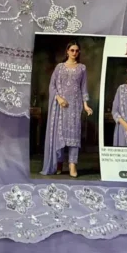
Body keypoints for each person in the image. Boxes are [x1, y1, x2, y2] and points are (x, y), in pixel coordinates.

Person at [41, 41, 93, 177]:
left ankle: (72, 165)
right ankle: (59, 163)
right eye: (72, 50)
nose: (74, 53)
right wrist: (58, 98)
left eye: (77, 51)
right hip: (60, 106)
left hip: (75, 106)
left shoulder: (82, 68)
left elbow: (83, 88)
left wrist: (86, 105)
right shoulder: (59, 67)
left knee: (74, 136)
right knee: (60, 135)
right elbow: (52, 86)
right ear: (67, 51)